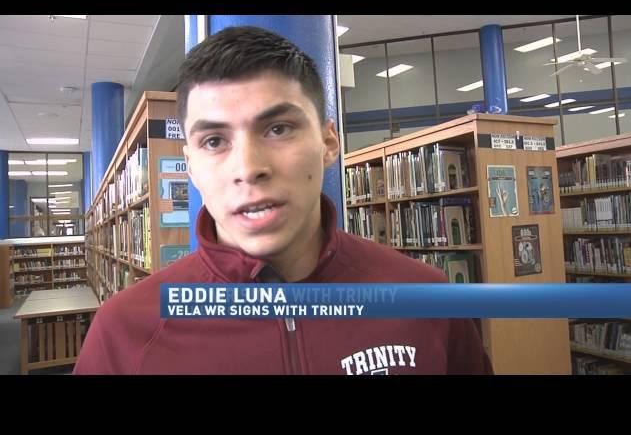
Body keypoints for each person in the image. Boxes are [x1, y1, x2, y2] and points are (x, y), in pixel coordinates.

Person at [74, 26, 493, 375]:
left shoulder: (427, 300)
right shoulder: (125, 333)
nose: (248, 167)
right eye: (214, 140)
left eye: (277, 129)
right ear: (191, 166)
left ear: (329, 143)